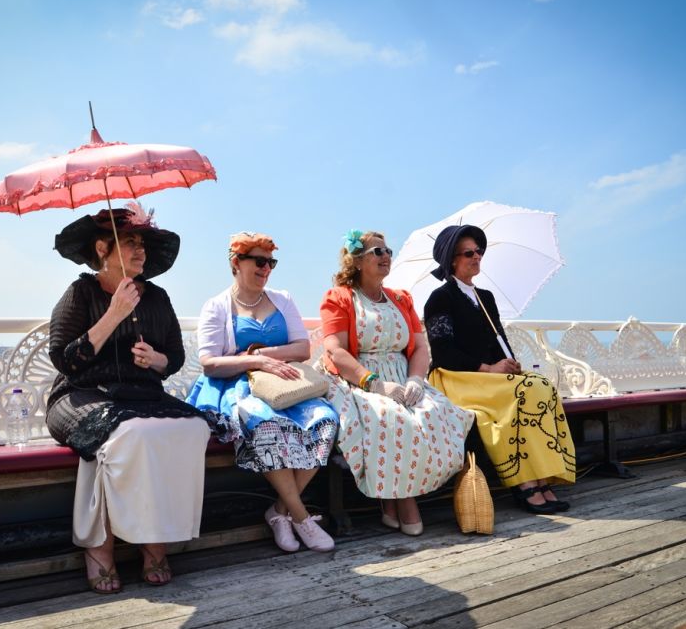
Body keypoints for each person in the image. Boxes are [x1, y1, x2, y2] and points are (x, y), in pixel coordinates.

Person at [46, 202, 215, 593]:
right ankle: (102, 548)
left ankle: (156, 536)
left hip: (141, 395)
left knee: (192, 428)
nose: (141, 250)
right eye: (130, 242)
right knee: (131, 435)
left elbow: (174, 357)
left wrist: (157, 360)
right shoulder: (80, 293)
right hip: (81, 394)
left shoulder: (156, 297)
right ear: (103, 249)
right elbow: (66, 361)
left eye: (142, 243)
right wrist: (114, 314)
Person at [186, 232, 338, 552]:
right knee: (265, 424)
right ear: (236, 263)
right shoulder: (216, 306)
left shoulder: (282, 299)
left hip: (285, 383)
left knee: (325, 421)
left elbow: (302, 348)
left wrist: (265, 358)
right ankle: (302, 517)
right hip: (237, 387)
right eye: (259, 261)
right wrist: (255, 362)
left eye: (271, 262)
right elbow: (209, 363)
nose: (266, 268)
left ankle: (280, 512)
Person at [317, 229, 473, 535]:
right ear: (358, 261)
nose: (386, 256)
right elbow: (335, 350)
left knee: (439, 412)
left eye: (388, 251)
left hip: (403, 376)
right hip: (358, 379)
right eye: (378, 252)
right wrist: (374, 383)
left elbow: (420, 346)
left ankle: (390, 500)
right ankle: (405, 501)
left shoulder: (401, 298)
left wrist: (416, 378)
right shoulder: (339, 298)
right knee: (391, 416)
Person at [423, 224, 576, 514]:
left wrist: (510, 363)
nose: (477, 256)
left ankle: (542, 478)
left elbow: (499, 342)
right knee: (525, 392)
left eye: (479, 251)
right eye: (469, 252)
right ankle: (524, 483)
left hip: (490, 376)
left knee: (539, 385)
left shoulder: (485, 297)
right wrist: (488, 369)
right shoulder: (440, 298)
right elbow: (443, 352)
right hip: (458, 377)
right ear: (452, 259)